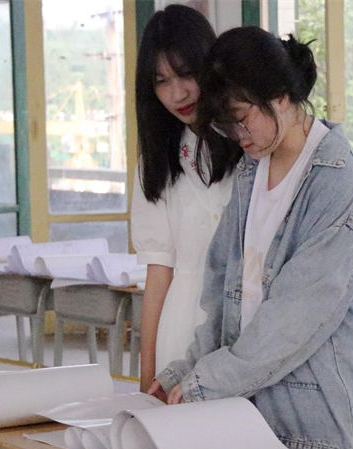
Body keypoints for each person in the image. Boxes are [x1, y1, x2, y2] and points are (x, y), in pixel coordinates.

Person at [149, 27, 353, 449]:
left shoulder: (335, 178)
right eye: (225, 124)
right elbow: (222, 298)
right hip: (248, 413)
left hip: (316, 422)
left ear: (280, 97)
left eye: (241, 117)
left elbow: (296, 317)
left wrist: (206, 382)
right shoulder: (252, 170)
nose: (237, 135)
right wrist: (184, 369)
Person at [131, 5, 241, 392]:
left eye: (186, 74)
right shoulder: (155, 164)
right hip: (181, 325)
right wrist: (147, 380)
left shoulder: (251, 143)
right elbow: (158, 273)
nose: (177, 94)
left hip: (244, 321)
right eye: (161, 81)